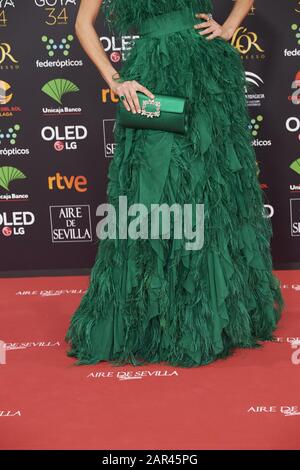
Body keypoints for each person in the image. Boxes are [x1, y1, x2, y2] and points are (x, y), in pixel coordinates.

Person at [66, 0, 284, 367]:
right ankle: (154, 316)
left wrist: (228, 26)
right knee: (154, 187)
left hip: (206, 74)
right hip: (151, 77)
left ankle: (213, 316)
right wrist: (115, 79)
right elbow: (82, 24)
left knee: (210, 186)